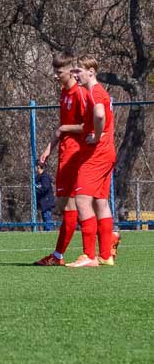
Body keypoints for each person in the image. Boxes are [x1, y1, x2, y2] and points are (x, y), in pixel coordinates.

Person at [34, 52, 86, 265]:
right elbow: (62, 129)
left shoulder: (79, 94)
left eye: (59, 72)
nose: (55, 75)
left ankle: (60, 256)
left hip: (74, 154)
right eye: (55, 71)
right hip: (64, 152)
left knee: (70, 205)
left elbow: (87, 126)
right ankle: (59, 255)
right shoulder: (64, 93)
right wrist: (48, 149)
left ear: (71, 70)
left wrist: (64, 129)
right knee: (69, 206)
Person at [66, 55, 118, 267]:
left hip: (96, 154)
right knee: (100, 202)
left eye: (78, 71)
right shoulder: (97, 92)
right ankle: (106, 255)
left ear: (91, 72)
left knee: (82, 201)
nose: (75, 74)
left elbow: (99, 116)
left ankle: (89, 256)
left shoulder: (95, 93)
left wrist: (96, 136)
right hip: (107, 153)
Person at [35, 163, 56, 231]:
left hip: (46, 201)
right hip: (43, 201)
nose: (36, 169)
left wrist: (37, 190)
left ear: (40, 168)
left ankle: (49, 231)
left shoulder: (44, 177)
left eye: (37, 168)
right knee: (44, 217)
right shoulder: (38, 177)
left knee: (47, 216)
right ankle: (46, 230)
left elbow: (45, 187)